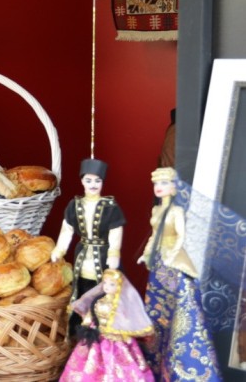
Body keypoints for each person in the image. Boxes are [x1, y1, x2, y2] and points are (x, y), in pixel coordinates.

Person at [138, 167, 221, 381]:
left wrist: (172, 255)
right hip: (158, 263)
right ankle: (154, 362)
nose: (159, 188)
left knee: (179, 305)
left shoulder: (176, 212)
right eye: (157, 184)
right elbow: (153, 236)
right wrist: (147, 255)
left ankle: (181, 364)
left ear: (174, 187)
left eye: (164, 184)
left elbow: (181, 237)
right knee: (157, 308)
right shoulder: (156, 211)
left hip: (173, 261)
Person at [51, 158, 125, 303]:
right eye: (89, 180)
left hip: (104, 255)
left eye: (97, 181)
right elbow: (67, 229)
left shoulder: (110, 206)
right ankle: (79, 322)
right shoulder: (74, 205)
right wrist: (60, 250)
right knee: (80, 290)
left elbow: (116, 231)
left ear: (102, 182)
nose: (93, 184)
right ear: (82, 181)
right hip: (82, 254)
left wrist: (114, 253)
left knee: (104, 292)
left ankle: (98, 323)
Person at [59, 269, 154, 381]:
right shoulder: (99, 300)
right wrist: (87, 324)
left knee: (118, 361)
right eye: (105, 283)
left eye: (111, 284)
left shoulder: (120, 304)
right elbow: (92, 313)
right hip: (96, 334)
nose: (107, 287)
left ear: (119, 286)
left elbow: (125, 319)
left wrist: (123, 332)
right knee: (89, 358)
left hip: (115, 338)